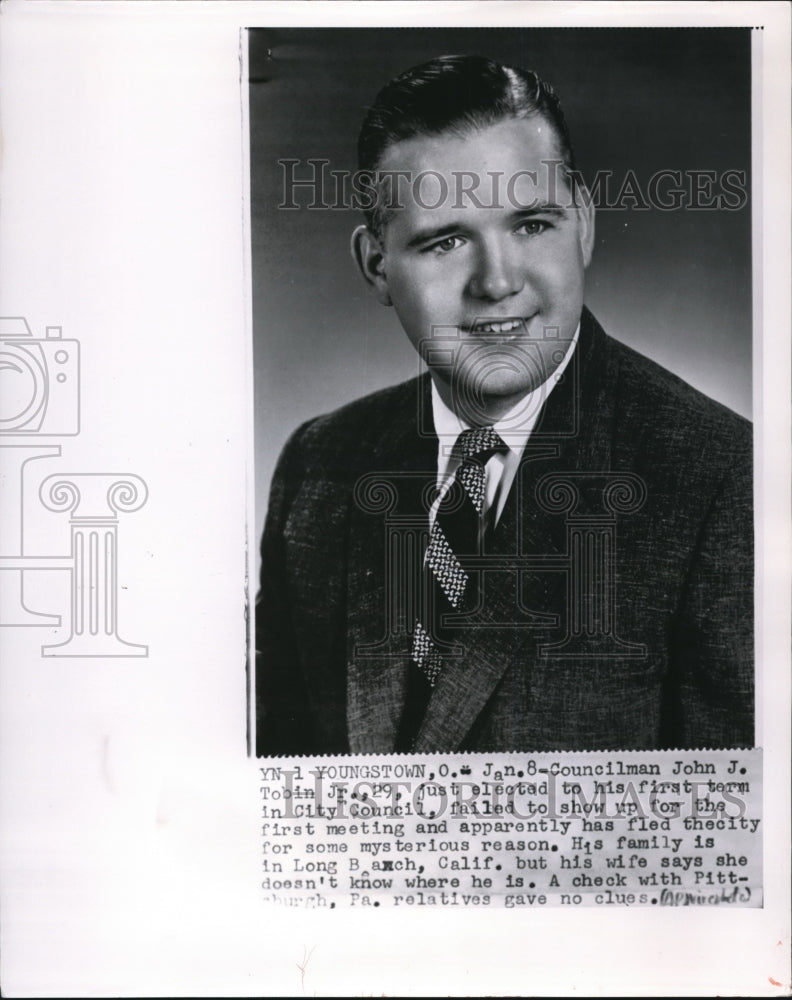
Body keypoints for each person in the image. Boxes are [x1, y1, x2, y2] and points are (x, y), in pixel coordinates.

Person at [255, 55, 753, 756]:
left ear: (582, 223)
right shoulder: (316, 462)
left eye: (531, 226)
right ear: (376, 265)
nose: (497, 283)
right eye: (446, 240)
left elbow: (734, 832)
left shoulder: (723, 479)